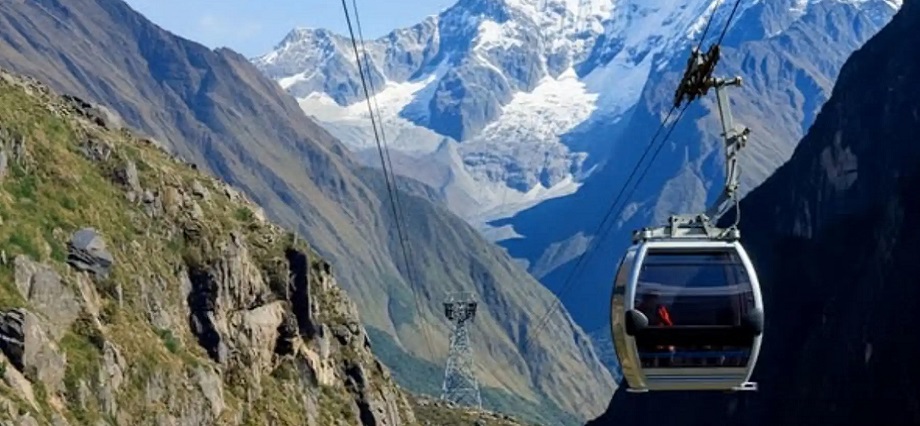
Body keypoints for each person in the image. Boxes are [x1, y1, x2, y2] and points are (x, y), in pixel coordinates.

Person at [635, 292, 675, 366]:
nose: (652, 301)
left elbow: (668, 324)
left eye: (654, 299)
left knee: (666, 351)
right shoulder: (639, 310)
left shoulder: (660, 309)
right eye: (650, 299)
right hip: (644, 340)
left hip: (659, 339)